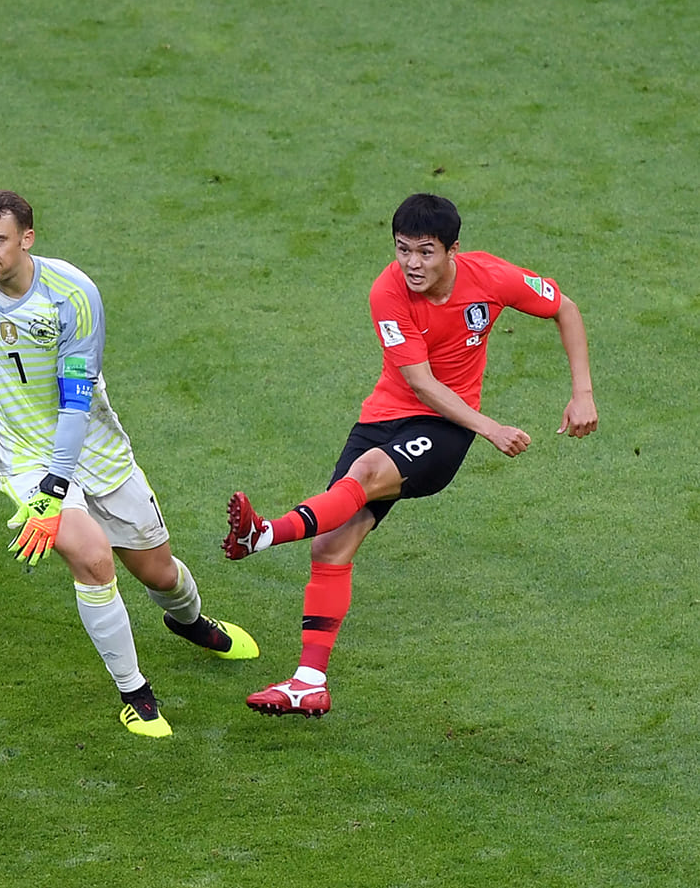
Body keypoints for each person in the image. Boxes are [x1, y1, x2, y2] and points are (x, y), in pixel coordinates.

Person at [223, 193, 598, 718]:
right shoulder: (387, 290)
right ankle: (309, 682)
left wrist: (581, 393)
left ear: (452, 250)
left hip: (447, 428)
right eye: (404, 251)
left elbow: (566, 308)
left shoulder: (491, 278)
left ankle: (263, 534)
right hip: (387, 415)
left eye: (426, 252)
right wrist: (493, 428)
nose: (413, 264)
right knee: (330, 547)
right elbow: (418, 382)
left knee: (367, 472)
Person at [0, 190, 259, 738]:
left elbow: (76, 398)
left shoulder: (72, 294)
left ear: (27, 239)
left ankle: (190, 622)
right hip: (25, 457)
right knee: (93, 559)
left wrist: (59, 482)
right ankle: (135, 692)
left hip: (95, 448)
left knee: (159, 572)